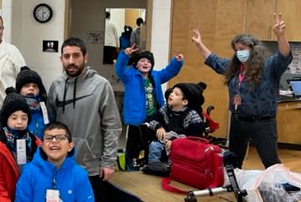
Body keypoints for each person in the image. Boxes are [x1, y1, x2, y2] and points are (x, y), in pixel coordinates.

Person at [47, 37, 121, 202]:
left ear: (85, 58)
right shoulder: (56, 86)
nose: (71, 61)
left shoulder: (101, 86)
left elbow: (112, 125)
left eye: (76, 56)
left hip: (92, 168)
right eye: (66, 56)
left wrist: (109, 160)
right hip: (63, 168)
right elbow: (50, 128)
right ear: (61, 59)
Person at [191, 13, 292, 168]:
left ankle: (279, 190)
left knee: (271, 161)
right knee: (233, 159)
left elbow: (284, 56)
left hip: (262, 122)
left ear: (254, 50)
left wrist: (280, 35)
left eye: (242, 49)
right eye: (237, 49)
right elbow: (214, 61)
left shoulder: (268, 66)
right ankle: (234, 187)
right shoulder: (234, 67)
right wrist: (199, 44)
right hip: (238, 121)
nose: (239, 52)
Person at [115, 45, 184, 168]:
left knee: (151, 144)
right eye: (142, 61)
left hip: (153, 118)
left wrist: (177, 62)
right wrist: (125, 55)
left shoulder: (156, 76)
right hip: (136, 120)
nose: (145, 63)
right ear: (136, 64)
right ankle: (130, 167)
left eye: (148, 61)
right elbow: (119, 69)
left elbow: (169, 71)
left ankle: (149, 165)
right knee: (133, 145)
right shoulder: (129, 76)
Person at [144, 83, 206, 167]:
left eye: (176, 94)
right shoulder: (166, 109)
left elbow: (193, 137)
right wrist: (159, 126)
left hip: (182, 143)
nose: (171, 94)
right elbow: (150, 118)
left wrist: (175, 141)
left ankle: (172, 169)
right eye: (172, 92)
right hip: (165, 140)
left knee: (175, 152)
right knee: (154, 145)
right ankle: (154, 167)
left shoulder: (192, 115)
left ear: (184, 101)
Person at [15, 66, 51, 140]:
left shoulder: (46, 109)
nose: (31, 88)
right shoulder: (10, 108)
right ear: (19, 90)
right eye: (26, 86)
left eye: (35, 86)